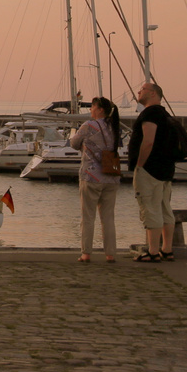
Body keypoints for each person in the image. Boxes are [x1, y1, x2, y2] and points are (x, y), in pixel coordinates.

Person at [129, 81, 177, 262]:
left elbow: (148, 141)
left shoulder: (150, 114)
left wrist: (140, 165)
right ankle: (167, 249)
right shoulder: (165, 114)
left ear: (152, 94)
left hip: (150, 169)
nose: (138, 92)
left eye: (142, 89)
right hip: (165, 169)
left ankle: (153, 251)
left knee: (150, 208)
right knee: (165, 208)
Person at [69, 96, 122, 262]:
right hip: (111, 176)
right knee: (108, 218)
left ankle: (86, 253)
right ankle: (110, 254)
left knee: (88, 216)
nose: (90, 109)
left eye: (92, 107)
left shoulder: (88, 126)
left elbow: (74, 143)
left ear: (100, 109)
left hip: (91, 175)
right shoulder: (114, 126)